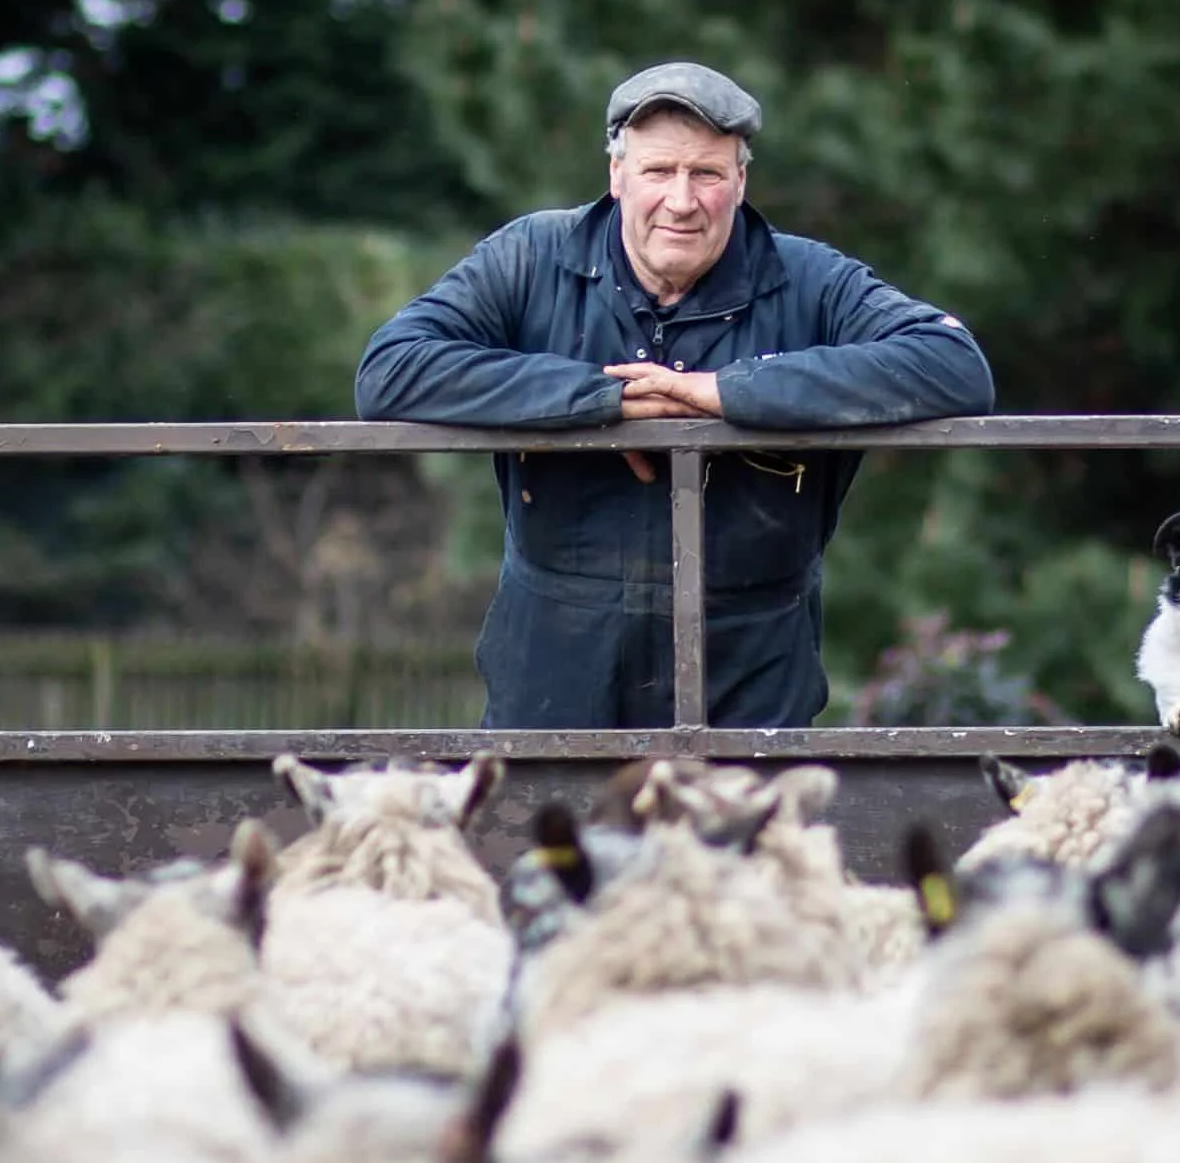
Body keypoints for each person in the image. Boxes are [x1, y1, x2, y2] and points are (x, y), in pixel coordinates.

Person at [355, 60, 995, 730]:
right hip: (555, 659)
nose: (682, 201)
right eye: (660, 172)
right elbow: (391, 369)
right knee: (542, 837)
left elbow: (952, 365)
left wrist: (727, 393)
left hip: (750, 666)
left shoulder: (810, 277)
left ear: (741, 182)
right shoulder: (529, 257)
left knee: (747, 837)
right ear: (617, 175)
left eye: (708, 174)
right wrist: (597, 401)